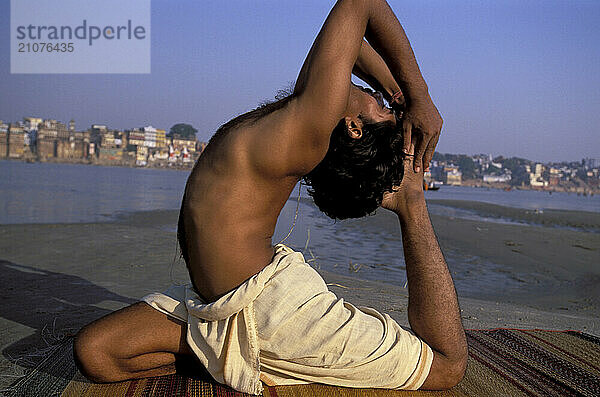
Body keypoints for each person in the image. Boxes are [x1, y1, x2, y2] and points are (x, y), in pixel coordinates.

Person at [73, 0, 467, 393]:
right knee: (96, 354)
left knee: (446, 368)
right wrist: (403, 95)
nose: (377, 99)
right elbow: (354, 41)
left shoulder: (310, 124)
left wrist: (419, 95)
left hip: (276, 314)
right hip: (221, 308)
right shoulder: (309, 109)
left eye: (380, 109)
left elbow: (359, 4)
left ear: (354, 128)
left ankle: (411, 205)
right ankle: (240, 356)